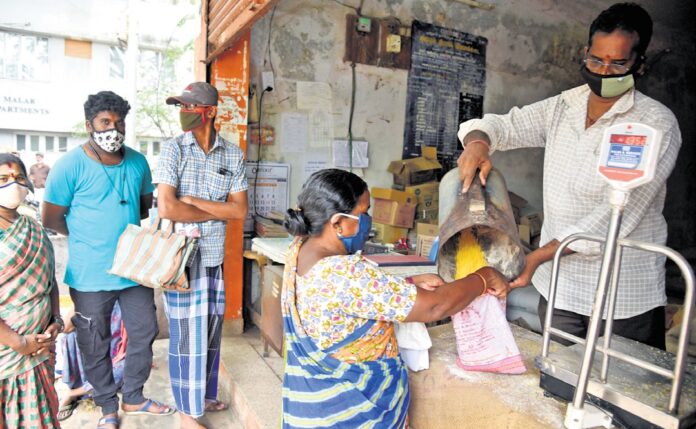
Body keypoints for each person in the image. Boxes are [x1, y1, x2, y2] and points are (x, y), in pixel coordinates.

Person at [456, 2, 681, 350]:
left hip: (621, 295)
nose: (604, 71)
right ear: (585, 53)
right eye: (596, 59)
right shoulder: (565, 106)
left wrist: (537, 256)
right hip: (560, 286)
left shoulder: (654, 124)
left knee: (621, 392)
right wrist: (478, 142)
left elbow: (614, 219)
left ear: (639, 63)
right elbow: (503, 125)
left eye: (617, 63)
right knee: (560, 380)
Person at [281, 168, 511, 428]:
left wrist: (406, 285)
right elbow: (434, 307)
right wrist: (484, 278)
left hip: (312, 407)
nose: (368, 220)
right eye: (363, 213)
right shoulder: (345, 272)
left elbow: (337, 298)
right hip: (351, 411)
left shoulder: (299, 250)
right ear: (337, 223)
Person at [43, 91, 173, 429]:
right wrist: (88, 238)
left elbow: (143, 206)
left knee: (144, 332)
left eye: (119, 123)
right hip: (89, 273)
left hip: (134, 271)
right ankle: (106, 407)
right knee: (93, 341)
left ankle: (133, 396)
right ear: (89, 125)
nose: (112, 129)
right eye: (105, 122)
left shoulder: (138, 162)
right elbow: (51, 218)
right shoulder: (69, 165)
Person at [154, 82, 248, 429]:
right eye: (180, 106)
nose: (183, 112)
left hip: (212, 256)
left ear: (208, 112)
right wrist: (217, 210)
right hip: (180, 259)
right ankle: (186, 414)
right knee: (185, 337)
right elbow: (168, 206)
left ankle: (201, 395)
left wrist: (192, 203)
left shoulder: (232, 155)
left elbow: (239, 212)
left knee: (209, 332)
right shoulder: (174, 149)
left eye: (188, 106)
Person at [0, 153, 62, 428]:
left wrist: (56, 320)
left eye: (19, 178)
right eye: (3, 178)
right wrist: (18, 343)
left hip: (40, 349)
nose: (13, 184)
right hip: (8, 355)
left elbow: (50, 280)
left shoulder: (33, 229)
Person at [55, 302, 127, 422]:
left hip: (116, 355)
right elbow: (66, 327)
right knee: (70, 337)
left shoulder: (126, 299)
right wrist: (78, 301)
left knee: (127, 367)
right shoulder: (91, 293)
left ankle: (73, 393)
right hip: (93, 349)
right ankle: (81, 385)